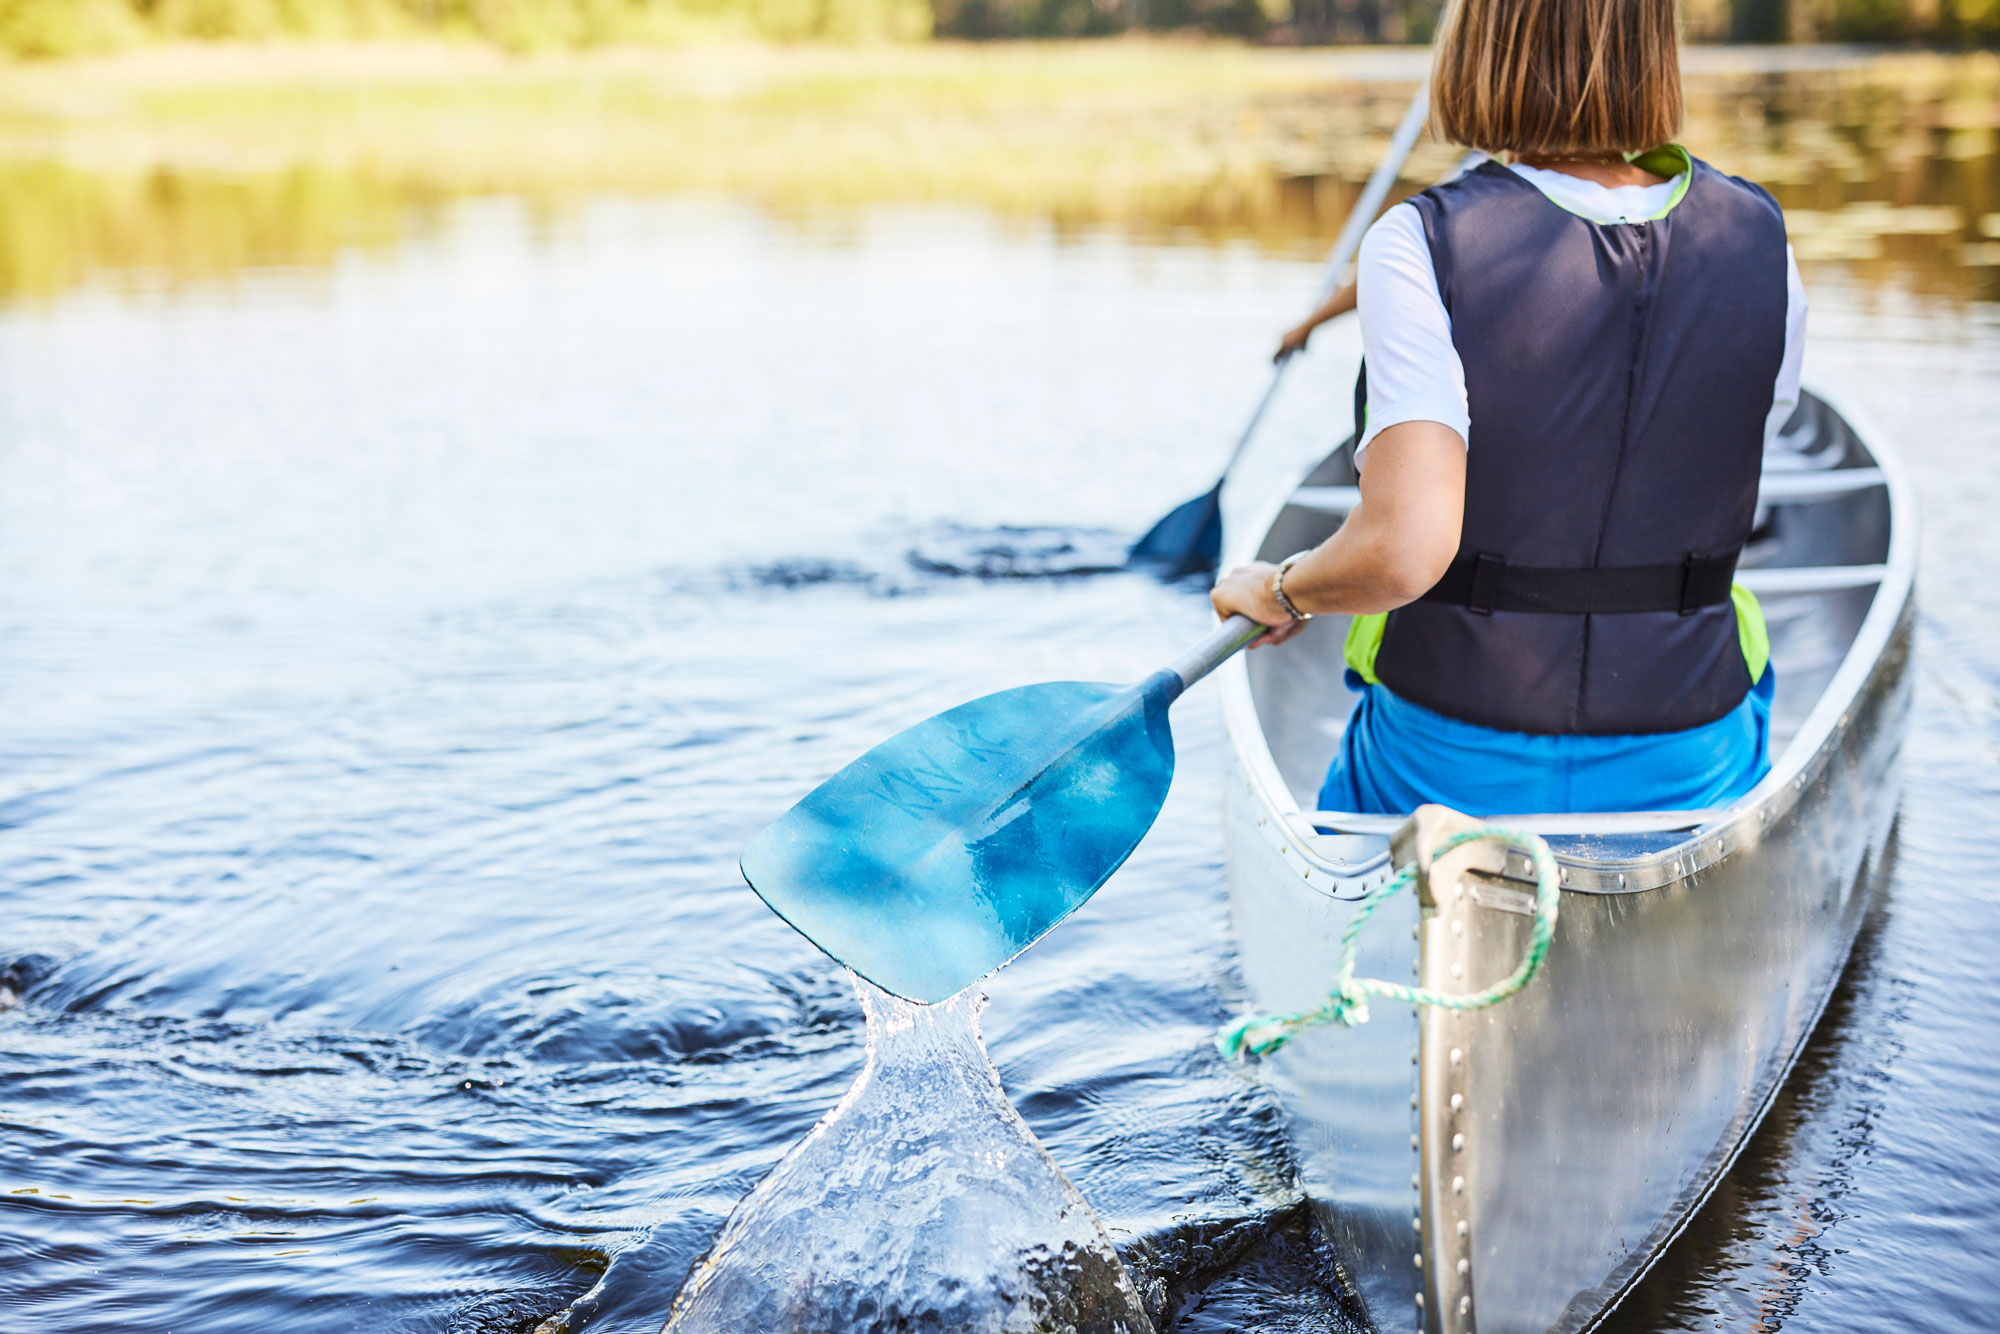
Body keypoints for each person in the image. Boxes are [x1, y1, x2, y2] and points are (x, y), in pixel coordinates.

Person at [1210, 0, 1804, 817]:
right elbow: (1734, 446)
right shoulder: (1761, 236)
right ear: (1655, 49)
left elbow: (1402, 552)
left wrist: (1282, 588)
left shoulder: (1421, 237)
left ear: (1477, 42)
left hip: (1449, 762)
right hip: (1690, 747)